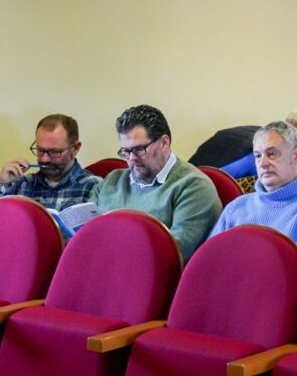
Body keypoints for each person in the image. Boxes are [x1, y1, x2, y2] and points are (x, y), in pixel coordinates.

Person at [209, 121, 297, 288]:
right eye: (258, 155)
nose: (263, 162)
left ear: (295, 156)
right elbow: (208, 264)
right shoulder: (236, 207)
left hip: (281, 307)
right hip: (229, 300)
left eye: (271, 154)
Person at [92, 105, 221, 261]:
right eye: (125, 152)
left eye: (139, 149)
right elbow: (83, 235)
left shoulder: (194, 187)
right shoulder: (112, 181)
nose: (131, 158)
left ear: (164, 143)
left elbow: (174, 253)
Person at [0, 113, 100, 210]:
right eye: (40, 150)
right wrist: (2, 184)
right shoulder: (21, 184)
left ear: (75, 148)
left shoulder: (95, 187)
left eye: (54, 152)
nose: (44, 159)